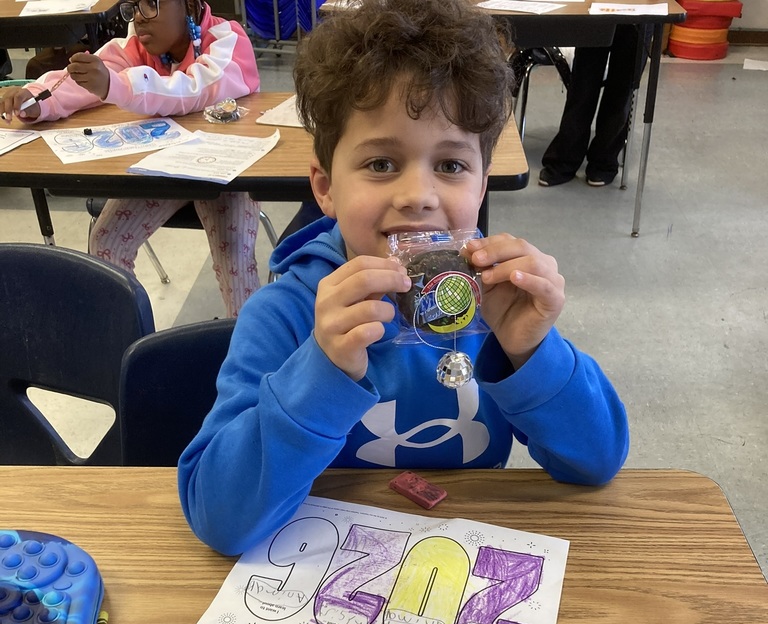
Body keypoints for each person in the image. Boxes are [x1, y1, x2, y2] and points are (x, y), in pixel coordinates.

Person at [178, 0, 630, 556]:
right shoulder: (286, 314)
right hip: (321, 569)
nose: (417, 196)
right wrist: (320, 370)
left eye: (450, 165)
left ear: (482, 185)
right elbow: (219, 518)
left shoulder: (496, 305)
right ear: (324, 188)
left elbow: (597, 462)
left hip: (463, 563)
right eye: (381, 164)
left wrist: (534, 353)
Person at [0, 0, 261, 315]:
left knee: (233, 256)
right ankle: (130, 342)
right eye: (134, 7)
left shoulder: (226, 38)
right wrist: (36, 99)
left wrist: (115, 86)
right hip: (166, 170)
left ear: (188, 5)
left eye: (152, 4)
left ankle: (250, 354)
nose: (139, 17)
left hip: (226, 170)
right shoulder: (136, 48)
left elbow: (195, 89)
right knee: (107, 243)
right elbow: (81, 81)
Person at [539, 26, 644, 188]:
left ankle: (604, 163)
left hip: (641, 14)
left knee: (622, 90)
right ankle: (564, 161)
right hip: (599, 10)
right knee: (582, 87)